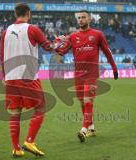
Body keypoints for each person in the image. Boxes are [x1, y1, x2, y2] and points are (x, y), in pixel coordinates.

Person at [0, 3, 54, 157]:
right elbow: (48, 47)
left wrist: (5, 75)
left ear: (15, 14)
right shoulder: (32, 29)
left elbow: (2, 55)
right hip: (28, 75)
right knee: (41, 107)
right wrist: (59, 41)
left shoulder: (6, 32)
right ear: (28, 13)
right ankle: (29, 141)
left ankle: (16, 148)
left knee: (15, 112)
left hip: (11, 77)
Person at [55, 10, 118, 142]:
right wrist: (56, 44)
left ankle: (83, 129)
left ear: (89, 19)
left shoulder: (97, 34)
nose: (81, 20)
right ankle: (92, 127)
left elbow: (107, 51)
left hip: (91, 73)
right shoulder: (73, 36)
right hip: (78, 74)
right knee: (82, 101)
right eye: (79, 18)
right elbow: (61, 52)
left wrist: (114, 68)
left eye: (83, 17)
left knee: (88, 100)